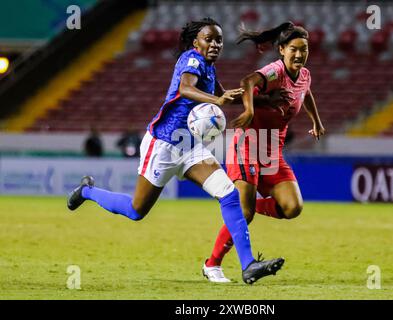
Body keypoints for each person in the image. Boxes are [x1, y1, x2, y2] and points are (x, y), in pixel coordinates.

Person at [67, 18, 284, 284]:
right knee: (136, 210)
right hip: (164, 144)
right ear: (196, 42)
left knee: (228, 194)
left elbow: (226, 94)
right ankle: (86, 191)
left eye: (219, 40)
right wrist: (218, 100)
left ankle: (248, 264)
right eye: (209, 39)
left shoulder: (209, 68)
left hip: (191, 145)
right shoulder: (191, 60)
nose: (215, 44)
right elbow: (185, 88)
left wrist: (262, 99)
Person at [202, 22, 325, 282]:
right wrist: (248, 110)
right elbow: (247, 81)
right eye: (294, 49)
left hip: (272, 150)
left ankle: (247, 206)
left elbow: (306, 93)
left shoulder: (304, 75)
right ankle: (212, 264)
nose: (300, 55)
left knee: (292, 207)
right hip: (248, 145)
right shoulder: (275, 71)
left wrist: (316, 120)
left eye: (304, 50)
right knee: (243, 215)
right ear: (281, 50)